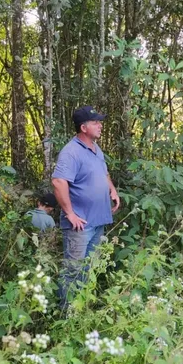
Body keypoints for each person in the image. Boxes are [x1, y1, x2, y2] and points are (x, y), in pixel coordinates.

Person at [52, 105, 120, 306]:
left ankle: (80, 310)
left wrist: (112, 190)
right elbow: (58, 182)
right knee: (73, 270)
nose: (100, 125)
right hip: (80, 225)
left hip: (98, 221)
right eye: (95, 122)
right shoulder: (71, 152)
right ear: (83, 127)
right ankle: (66, 315)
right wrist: (70, 213)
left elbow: (103, 173)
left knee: (88, 268)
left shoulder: (96, 150)